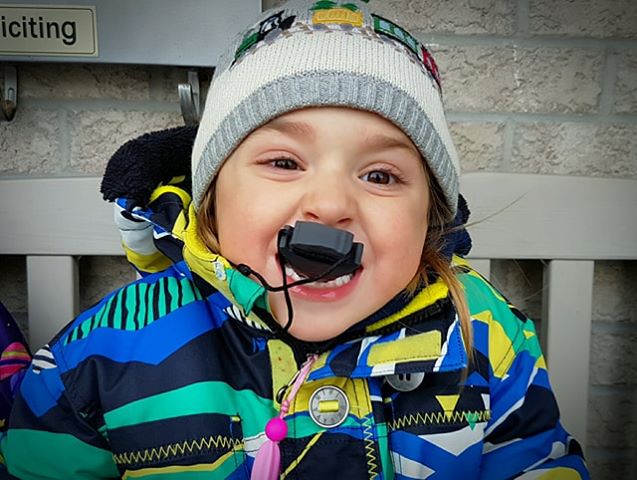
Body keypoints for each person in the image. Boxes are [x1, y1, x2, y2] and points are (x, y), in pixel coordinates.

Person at [1, 0, 589, 478]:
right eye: (283, 162)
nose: (330, 205)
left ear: (429, 221)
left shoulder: (484, 333)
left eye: (380, 176)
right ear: (211, 201)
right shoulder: (105, 354)